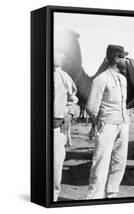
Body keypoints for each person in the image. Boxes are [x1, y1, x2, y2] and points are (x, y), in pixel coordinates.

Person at [85, 44, 130, 199]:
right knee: (101, 162)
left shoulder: (123, 79)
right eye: (123, 57)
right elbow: (91, 106)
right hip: (107, 125)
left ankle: (112, 193)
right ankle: (94, 198)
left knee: (120, 161)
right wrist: (101, 123)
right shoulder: (101, 79)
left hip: (123, 125)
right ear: (116, 59)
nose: (125, 60)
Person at [53, 51, 78, 201]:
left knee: (55, 170)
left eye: (63, 54)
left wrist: (69, 113)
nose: (62, 57)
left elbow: (73, 99)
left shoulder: (64, 76)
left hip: (56, 130)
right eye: (58, 53)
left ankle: (53, 201)